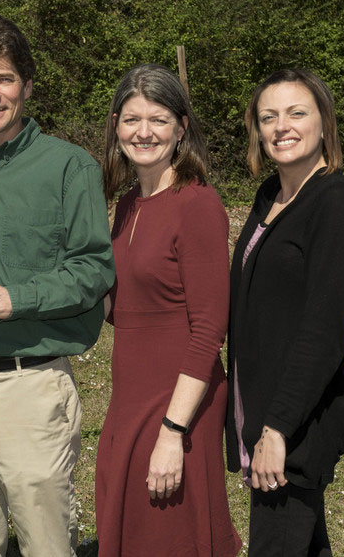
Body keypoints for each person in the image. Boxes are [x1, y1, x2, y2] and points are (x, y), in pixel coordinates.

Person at [0, 7, 115, 557]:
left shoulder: (69, 167)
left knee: (46, 546)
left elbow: (94, 269)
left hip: (30, 389)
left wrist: (16, 298)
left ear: (26, 86)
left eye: (4, 79)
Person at [94, 64, 241, 557]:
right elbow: (122, 308)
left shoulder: (197, 205)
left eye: (158, 119)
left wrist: (173, 433)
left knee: (170, 536)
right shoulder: (128, 203)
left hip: (179, 397)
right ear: (116, 126)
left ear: (181, 127)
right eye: (132, 119)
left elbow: (209, 330)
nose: (144, 132)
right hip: (128, 394)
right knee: (132, 527)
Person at [226, 68, 344, 556]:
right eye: (268, 117)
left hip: (293, 426)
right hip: (262, 411)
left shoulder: (337, 202)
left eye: (296, 113)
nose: (281, 126)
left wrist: (277, 429)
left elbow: (323, 330)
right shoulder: (271, 196)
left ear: (324, 122)